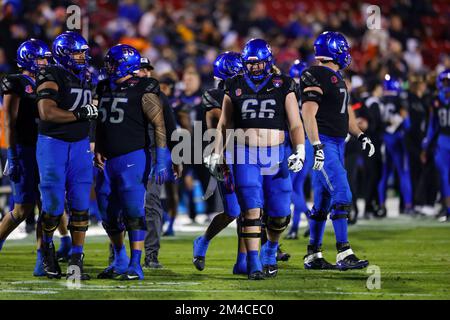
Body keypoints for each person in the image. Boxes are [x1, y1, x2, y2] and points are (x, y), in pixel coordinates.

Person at [206, 39, 306, 279]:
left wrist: (300, 149)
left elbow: (294, 123)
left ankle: (270, 249)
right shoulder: (234, 84)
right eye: (250, 64)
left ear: (267, 61)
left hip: (276, 153)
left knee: (280, 212)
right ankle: (254, 265)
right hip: (245, 153)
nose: (254, 68)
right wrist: (216, 153)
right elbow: (224, 124)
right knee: (251, 211)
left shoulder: (284, 84)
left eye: (259, 63)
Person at [95, 45, 169, 280]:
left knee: (133, 210)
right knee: (107, 212)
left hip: (133, 156)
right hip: (106, 158)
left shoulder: (145, 86)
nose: (109, 68)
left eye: (113, 63)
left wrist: (162, 156)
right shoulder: (104, 86)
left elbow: (159, 124)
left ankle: (136, 264)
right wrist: (97, 145)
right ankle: (119, 259)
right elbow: (99, 121)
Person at [300, 31, 373, 270]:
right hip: (324, 143)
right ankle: (344, 252)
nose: (346, 54)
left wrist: (360, 135)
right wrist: (316, 144)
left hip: (338, 143)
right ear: (334, 50)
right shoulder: (316, 74)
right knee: (342, 193)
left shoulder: (337, 77)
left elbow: (346, 116)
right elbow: (307, 112)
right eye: (343, 49)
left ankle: (313, 254)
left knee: (322, 203)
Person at [35, 31, 97, 280]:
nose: (82, 56)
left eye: (83, 51)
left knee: (81, 207)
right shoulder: (51, 74)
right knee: (52, 206)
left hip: (80, 145)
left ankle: (76, 260)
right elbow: (46, 112)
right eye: (77, 52)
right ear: (64, 53)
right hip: (53, 144)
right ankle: (47, 252)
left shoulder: (86, 76)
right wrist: (79, 114)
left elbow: (92, 113)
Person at [193, 51, 248, 274]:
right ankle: (203, 240)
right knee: (234, 210)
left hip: (247, 154)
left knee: (250, 210)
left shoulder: (246, 92)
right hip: (224, 156)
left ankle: (243, 261)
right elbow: (221, 127)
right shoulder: (214, 96)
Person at [0, 39, 51, 276]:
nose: (45, 62)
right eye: (41, 58)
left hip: (46, 149)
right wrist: (12, 155)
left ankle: (43, 259)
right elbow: (9, 122)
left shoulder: (47, 81)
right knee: (22, 208)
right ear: (30, 59)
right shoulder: (16, 82)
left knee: (48, 206)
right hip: (24, 149)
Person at [137, 57, 180, 269]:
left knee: (152, 203)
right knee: (122, 206)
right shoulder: (122, 93)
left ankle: (151, 254)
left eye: (147, 70)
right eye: (140, 69)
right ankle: (117, 255)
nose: (144, 73)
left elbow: (170, 128)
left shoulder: (159, 95)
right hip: (128, 154)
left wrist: (175, 158)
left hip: (154, 154)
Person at [377, 74, 414, 216]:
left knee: (384, 175)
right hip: (397, 140)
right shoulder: (400, 99)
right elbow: (407, 124)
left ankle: (381, 205)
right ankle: (408, 205)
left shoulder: (381, 100)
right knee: (404, 173)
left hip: (384, 140)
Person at [284, 59, 312, 240]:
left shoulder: (289, 94)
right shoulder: (311, 94)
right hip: (308, 144)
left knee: (288, 187)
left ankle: (312, 219)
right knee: (297, 187)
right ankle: (294, 228)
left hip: (294, 143)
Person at [422, 69, 450, 222]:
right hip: (443, 140)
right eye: (445, 82)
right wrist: (426, 145)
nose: (447, 85)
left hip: (444, 140)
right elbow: (433, 125)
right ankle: (447, 209)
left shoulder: (436, 99)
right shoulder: (435, 100)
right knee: (444, 177)